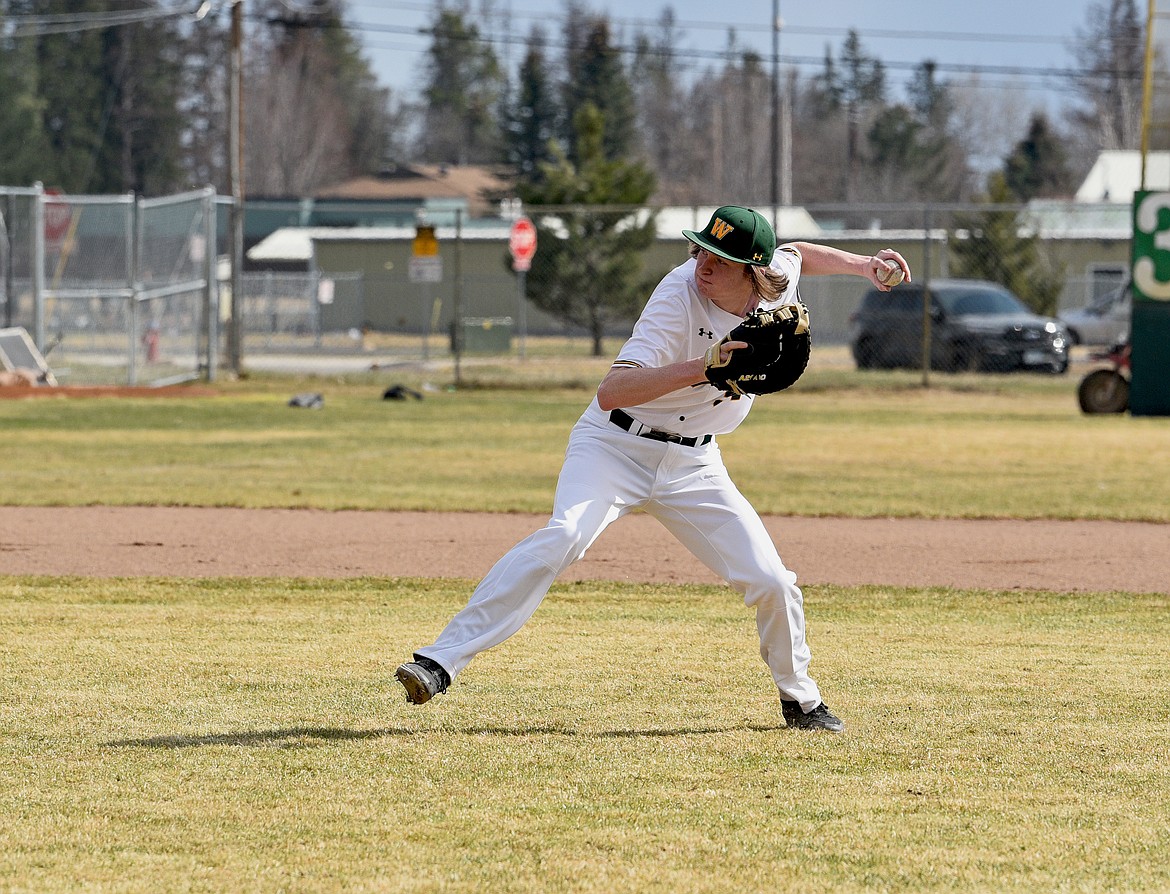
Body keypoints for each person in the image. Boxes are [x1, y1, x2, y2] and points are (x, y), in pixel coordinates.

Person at [396, 205, 911, 732]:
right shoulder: (677, 295)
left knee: (773, 580)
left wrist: (863, 264)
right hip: (614, 446)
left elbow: (800, 253)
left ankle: (801, 701)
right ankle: (439, 660)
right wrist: (705, 367)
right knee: (565, 535)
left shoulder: (778, 285)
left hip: (694, 462)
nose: (702, 264)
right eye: (700, 250)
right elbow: (612, 391)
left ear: (755, 272)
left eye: (720, 259)